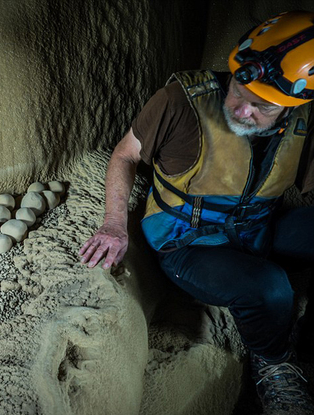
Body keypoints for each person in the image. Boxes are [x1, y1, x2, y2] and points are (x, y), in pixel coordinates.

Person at [79, 11, 314, 415]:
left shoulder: (304, 121)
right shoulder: (180, 102)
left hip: (258, 229)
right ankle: (272, 362)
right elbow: (125, 153)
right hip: (189, 243)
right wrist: (115, 224)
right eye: (239, 89)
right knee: (269, 287)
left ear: (293, 106)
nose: (241, 109)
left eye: (262, 107)